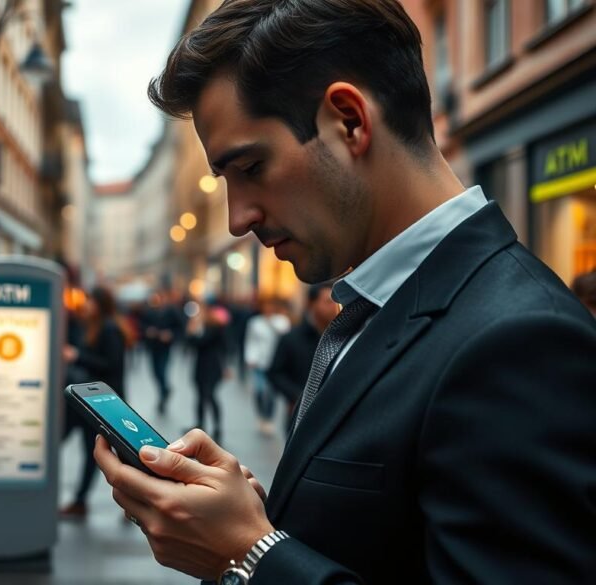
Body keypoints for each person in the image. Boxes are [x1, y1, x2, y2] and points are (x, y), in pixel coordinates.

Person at [93, 1, 596, 583]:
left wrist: (252, 556)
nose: (237, 218)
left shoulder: (521, 341)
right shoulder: (378, 306)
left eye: (251, 166)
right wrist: (252, 518)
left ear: (350, 122)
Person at [59, 287, 129, 519]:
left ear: (100, 304)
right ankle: (80, 501)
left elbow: (111, 365)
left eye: (89, 300)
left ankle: (83, 501)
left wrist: (77, 356)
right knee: (91, 450)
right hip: (86, 401)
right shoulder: (92, 326)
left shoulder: (109, 329)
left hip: (101, 403)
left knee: (101, 453)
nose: (86, 305)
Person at [267, 284, 338, 435]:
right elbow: (275, 373)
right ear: (311, 304)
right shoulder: (291, 338)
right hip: (299, 414)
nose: (333, 307)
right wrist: (296, 397)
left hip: (334, 415)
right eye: (328, 302)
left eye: (336, 302)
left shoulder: (342, 338)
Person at [243, 297, 291, 435]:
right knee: (259, 390)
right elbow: (250, 340)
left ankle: (269, 418)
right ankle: (261, 415)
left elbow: (284, 335)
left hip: (274, 362)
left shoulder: (281, 321)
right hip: (259, 361)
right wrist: (250, 357)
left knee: (271, 393)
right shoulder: (255, 322)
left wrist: (270, 322)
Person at [187, 300, 229, 443]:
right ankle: (200, 423)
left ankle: (217, 426)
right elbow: (191, 344)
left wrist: (192, 332)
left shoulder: (215, 326)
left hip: (212, 366)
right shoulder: (203, 325)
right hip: (201, 365)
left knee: (210, 395)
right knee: (200, 395)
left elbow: (202, 342)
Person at [142, 290, 184, 415]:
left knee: (162, 370)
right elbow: (142, 326)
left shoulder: (171, 311)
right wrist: (148, 331)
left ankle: (164, 391)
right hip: (153, 346)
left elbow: (180, 327)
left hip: (165, 347)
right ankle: (164, 390)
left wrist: (170, 334)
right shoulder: (149, 311)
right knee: (155, 372)